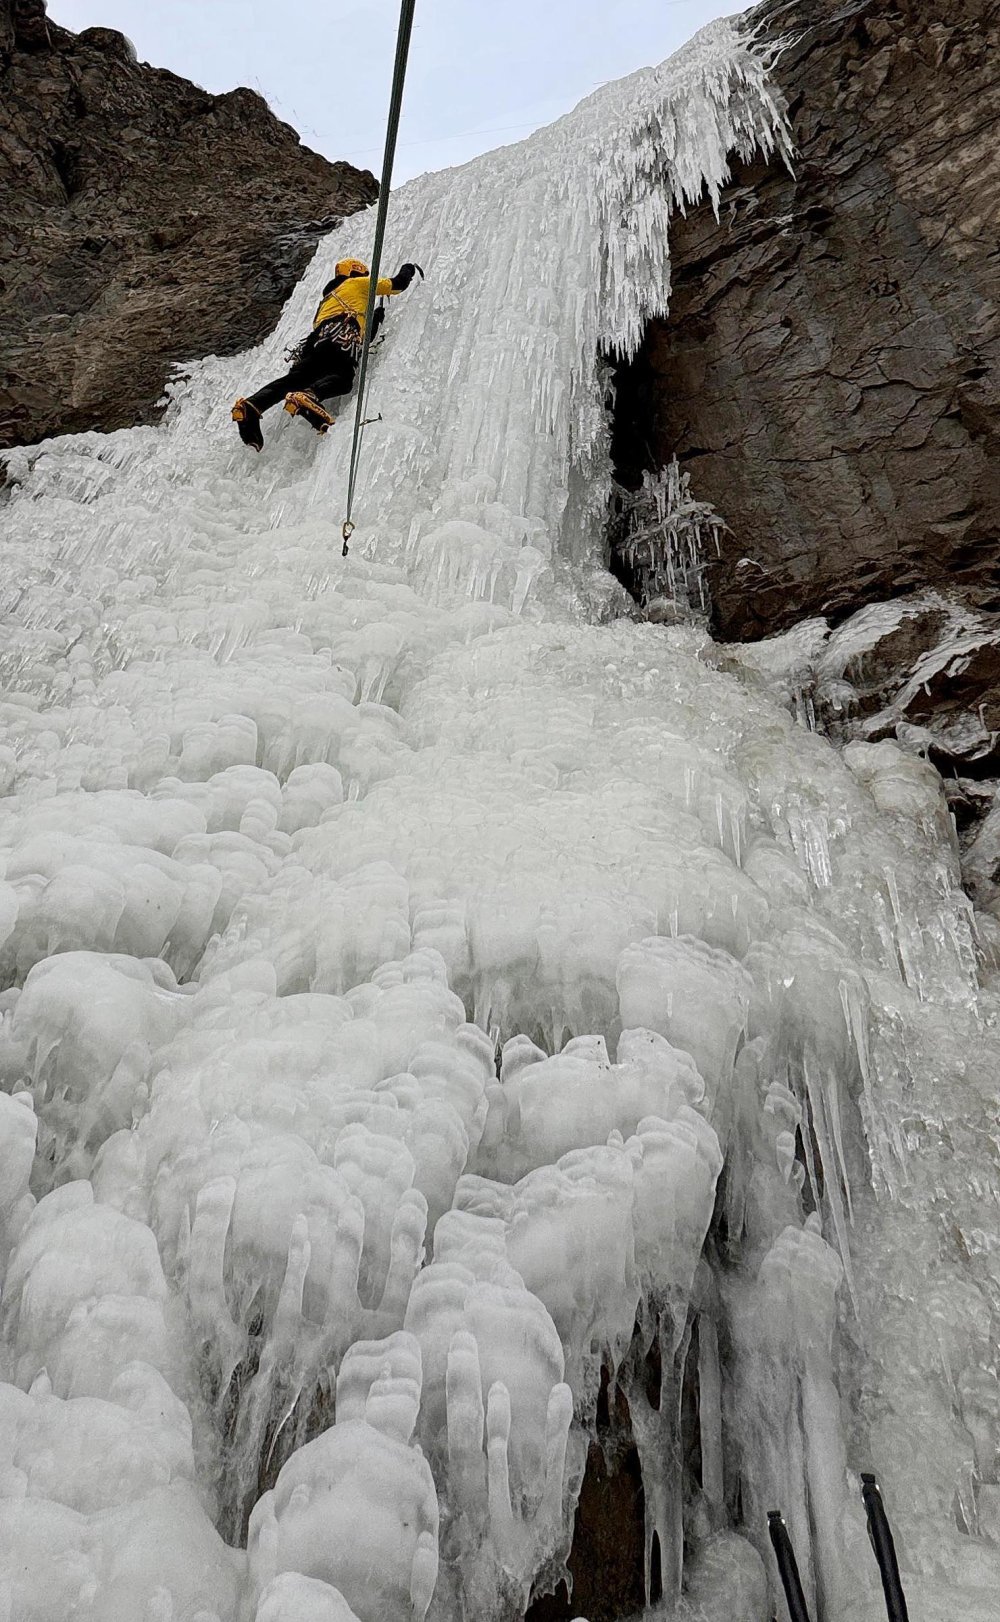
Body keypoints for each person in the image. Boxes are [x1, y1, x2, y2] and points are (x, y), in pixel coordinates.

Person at [231, 258, 420, 451]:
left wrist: (376, 319)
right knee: (343, 378)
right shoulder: (357, 283)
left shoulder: (329, 298)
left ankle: (251, 406)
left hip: (316, 341)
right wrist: (408, 268)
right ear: (357, 273)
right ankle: (309, 396)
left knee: (295, 380)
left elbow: (364, 338)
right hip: (342, 335)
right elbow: (397, 285)